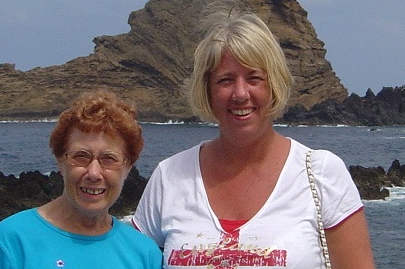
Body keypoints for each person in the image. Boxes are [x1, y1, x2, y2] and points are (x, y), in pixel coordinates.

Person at [132, 1, 376, 268]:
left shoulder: (321, 175)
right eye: (225, 80)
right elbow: (129, 258)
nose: (240, 93)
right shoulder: (170, 177)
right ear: (208, 91)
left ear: (274, 84)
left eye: (254, 78)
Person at [0, 90, 162, 269]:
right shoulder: (13, 240)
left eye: (109, 159)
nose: (94, 173)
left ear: (128, 167)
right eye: (81, 157)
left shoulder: (145, 253)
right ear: (60, 162)